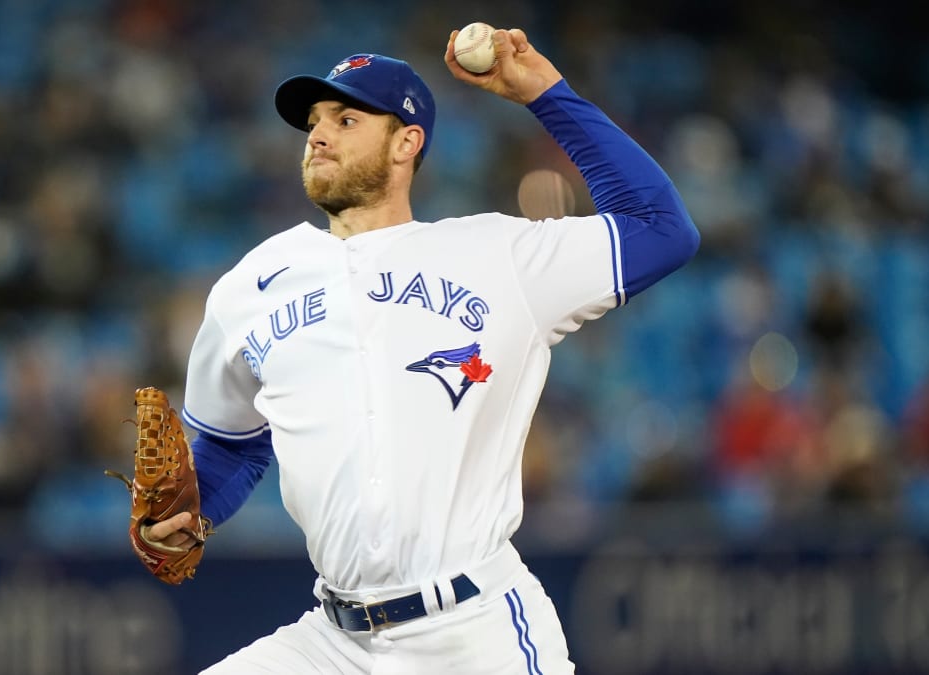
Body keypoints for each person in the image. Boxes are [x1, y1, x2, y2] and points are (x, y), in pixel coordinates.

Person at [149, 26, 700, 674]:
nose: (319, 134)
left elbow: (660, 229)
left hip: (475, 634)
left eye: (346, 118)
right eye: (314, 122)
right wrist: (191, 511)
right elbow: (233, 444)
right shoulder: (250, 288)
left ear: (406, 141)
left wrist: (545, 95)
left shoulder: (499, 255)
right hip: (333, 641)